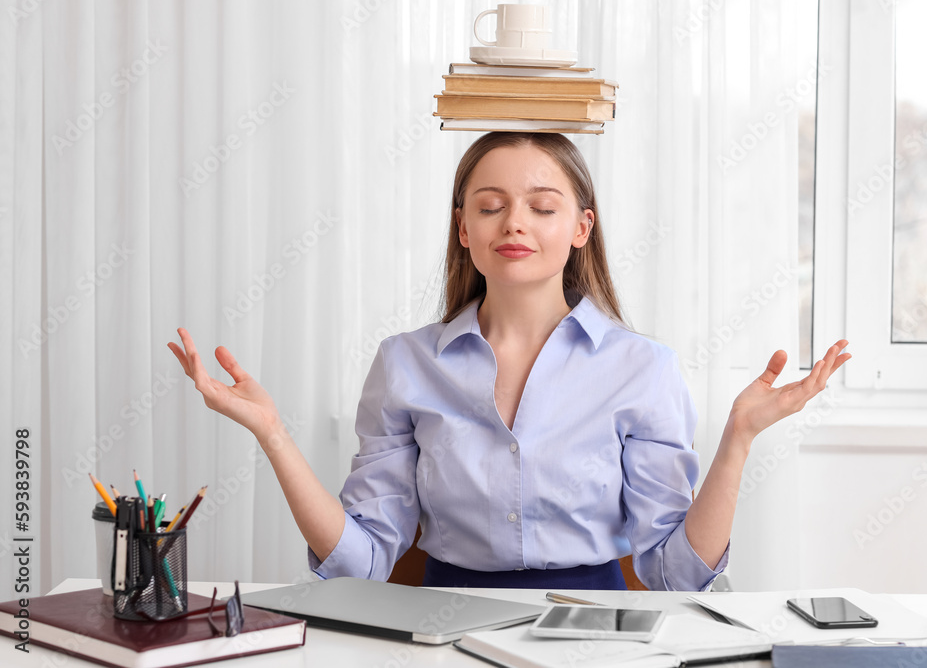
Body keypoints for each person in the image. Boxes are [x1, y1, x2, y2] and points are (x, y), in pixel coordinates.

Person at [168, 132, 850, 591]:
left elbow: (674, 574)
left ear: (581, 228)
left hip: (594, 635)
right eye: (490, 207)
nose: (514, 224)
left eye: (542, 207)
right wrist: (273, 434)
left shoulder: (644, 369)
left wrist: (737, 440)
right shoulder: (405, 365)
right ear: (464, 230)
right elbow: (360, 563)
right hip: (445, 630)